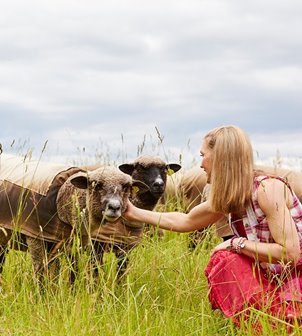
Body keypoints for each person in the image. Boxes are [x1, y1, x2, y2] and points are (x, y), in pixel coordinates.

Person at [124, 125, 302, 328]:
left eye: (203, 155)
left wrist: (236, 243)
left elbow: (290, 253)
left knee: (228, 255)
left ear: (221, 158)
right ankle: (260, 322)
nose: (201, 164)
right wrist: (132, 211)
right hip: (273, 274)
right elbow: (186, 221)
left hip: (297, 275)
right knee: (224, 260)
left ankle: (278, 320)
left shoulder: (267, 189)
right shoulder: (232, 196)